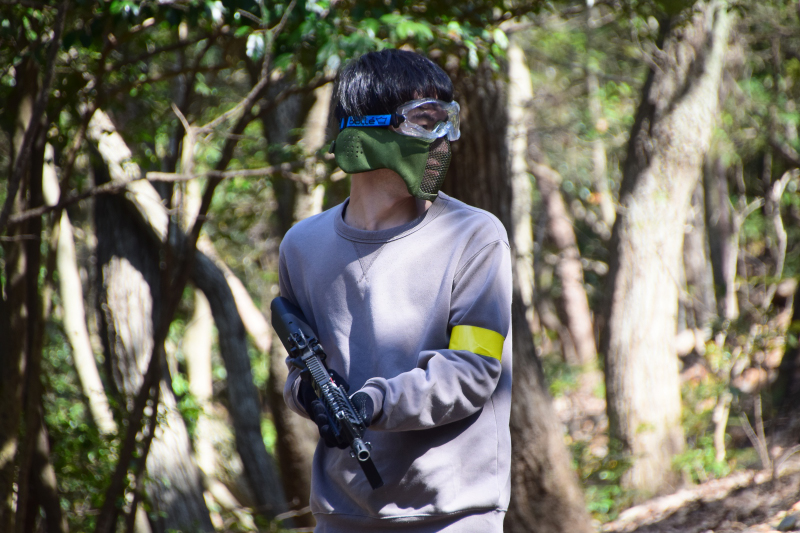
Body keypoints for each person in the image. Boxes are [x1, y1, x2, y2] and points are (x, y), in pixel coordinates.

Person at [279, 48, 512, 532]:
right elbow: (300, 368)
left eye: (449, 122)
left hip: (453, 511)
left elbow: (474, 369)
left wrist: (372, 403)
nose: (443, 140)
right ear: (365, 131)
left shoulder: (475, 236)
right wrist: (308, 395)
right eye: (426, 122)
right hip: (342, 512)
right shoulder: (303, 246)